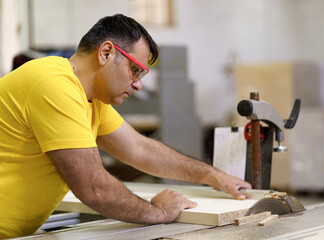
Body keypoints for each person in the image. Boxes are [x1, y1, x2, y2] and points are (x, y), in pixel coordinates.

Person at [0, 14, 251, 238]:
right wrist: (159, 211)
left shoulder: (91, 99)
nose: (138, 85)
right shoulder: (54, 84)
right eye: (135, 70)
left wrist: (211, 175)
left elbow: (140, 150)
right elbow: (94, 190)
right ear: (106, 53)